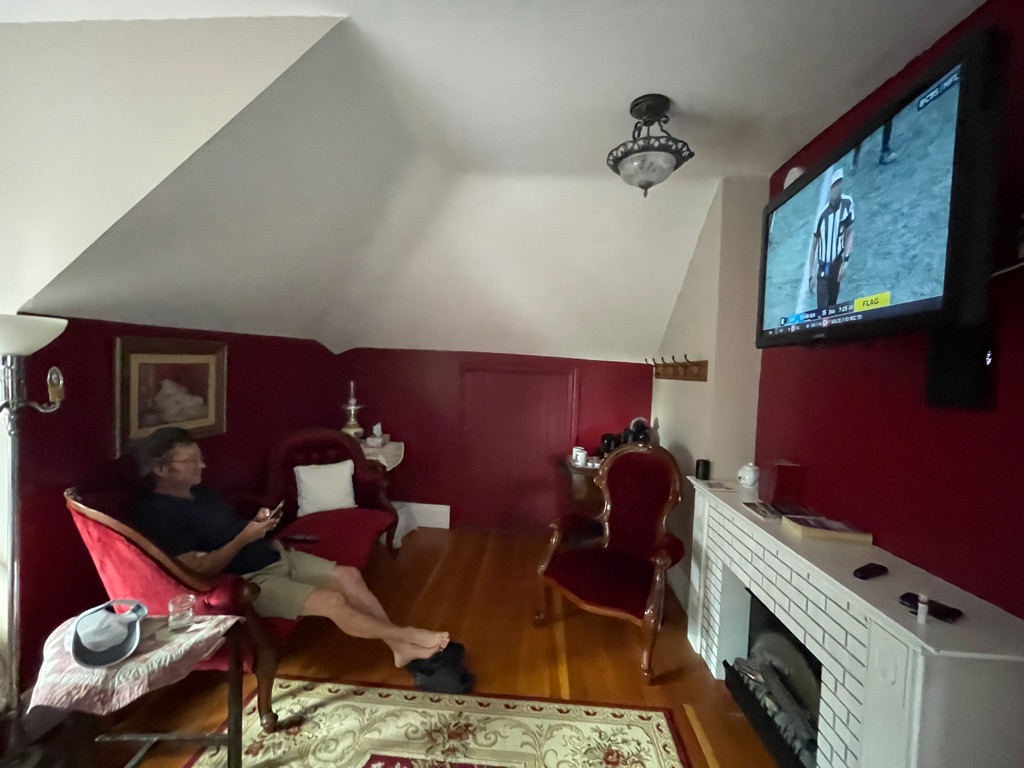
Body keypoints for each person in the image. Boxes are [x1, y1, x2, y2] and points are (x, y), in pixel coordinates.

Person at [133, 427, 448, 668]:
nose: (202, 465)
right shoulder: (159, 513)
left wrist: (256, 523)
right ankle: (406, 635)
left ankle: (398, 647)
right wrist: (245, 537)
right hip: (248, 580)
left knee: (349, 576)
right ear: (161, 469)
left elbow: (225, 530)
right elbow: (198, 570)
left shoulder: (201, 493)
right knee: (335, 601)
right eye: (191, 461)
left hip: (273, 554)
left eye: (199, 457)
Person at [807, 167, 855, 309]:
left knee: (833, 307)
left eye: (838, 187)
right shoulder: (822, 216)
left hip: (837, 264)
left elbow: (850, 231)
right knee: (822, 311)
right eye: (833, 188)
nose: (835, 191)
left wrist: (846, 259)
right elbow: (813, 246)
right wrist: (811, 274)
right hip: (823, 267)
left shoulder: (847, 204)